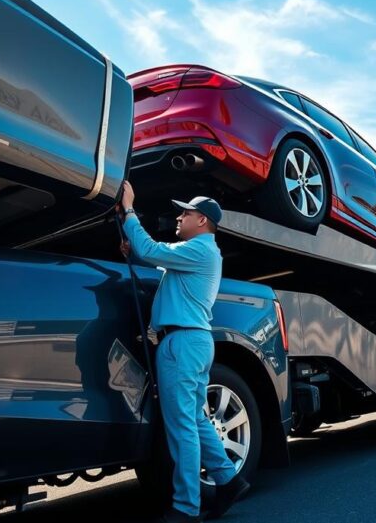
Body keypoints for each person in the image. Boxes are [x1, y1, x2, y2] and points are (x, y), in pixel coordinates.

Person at [119, 181, 250, 523]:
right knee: (195, 420)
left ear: (202, 221)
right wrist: (133, 250)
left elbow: (150, 250)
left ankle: (186, 507)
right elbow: (152, 257)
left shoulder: (200, 250)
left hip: (183, 345)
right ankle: (229, 480)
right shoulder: (198, 254)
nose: (179, 217)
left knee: (182, 428)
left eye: (186, 213)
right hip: (191, 342)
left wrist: (129, 210)